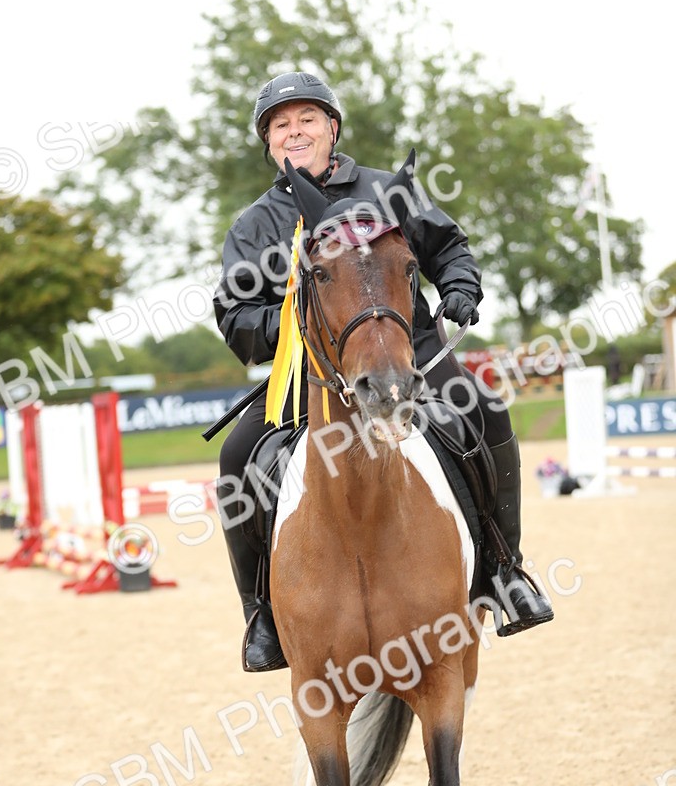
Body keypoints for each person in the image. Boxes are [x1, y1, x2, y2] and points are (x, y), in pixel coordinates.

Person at [213, 70, 553, 672]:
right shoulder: (254, 226)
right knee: (238, 457)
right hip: (311, 372)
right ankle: (262, 615)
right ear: (268, 142)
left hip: (410, 354)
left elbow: (449, 248)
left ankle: (505, 570)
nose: (295, 133)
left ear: (332, 127)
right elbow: (236, 313)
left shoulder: (386, 191)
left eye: (307, 120)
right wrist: (289, 322)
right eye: (280, 125)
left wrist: (461, 287)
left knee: (486, 410)